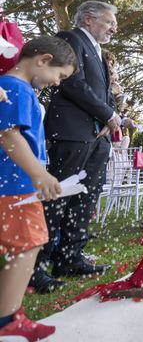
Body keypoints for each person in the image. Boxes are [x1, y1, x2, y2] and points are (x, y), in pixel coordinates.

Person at [31, 1, 118, 293]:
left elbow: (104, 91)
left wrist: (112, 116)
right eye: (108, 22)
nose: (113, 28)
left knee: (85, 197)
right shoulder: (71, 39)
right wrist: (107, 114)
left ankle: (70, 257)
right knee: (58, 197)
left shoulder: (98, 50)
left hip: (97, 137)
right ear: (90, 19)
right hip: (72, 132)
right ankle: (37, 265)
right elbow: (73, 84)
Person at [0, 36, 77, 340]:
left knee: (20, 246)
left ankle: (9, 312)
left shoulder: (13, 87)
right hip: (16, 184)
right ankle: (8, 320)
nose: (57, 83)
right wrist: (39, 175)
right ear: (43, 60)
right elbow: (9, 136)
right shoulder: (17, 88)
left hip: (14, 183)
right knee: (28, 244)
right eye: (59, 75)